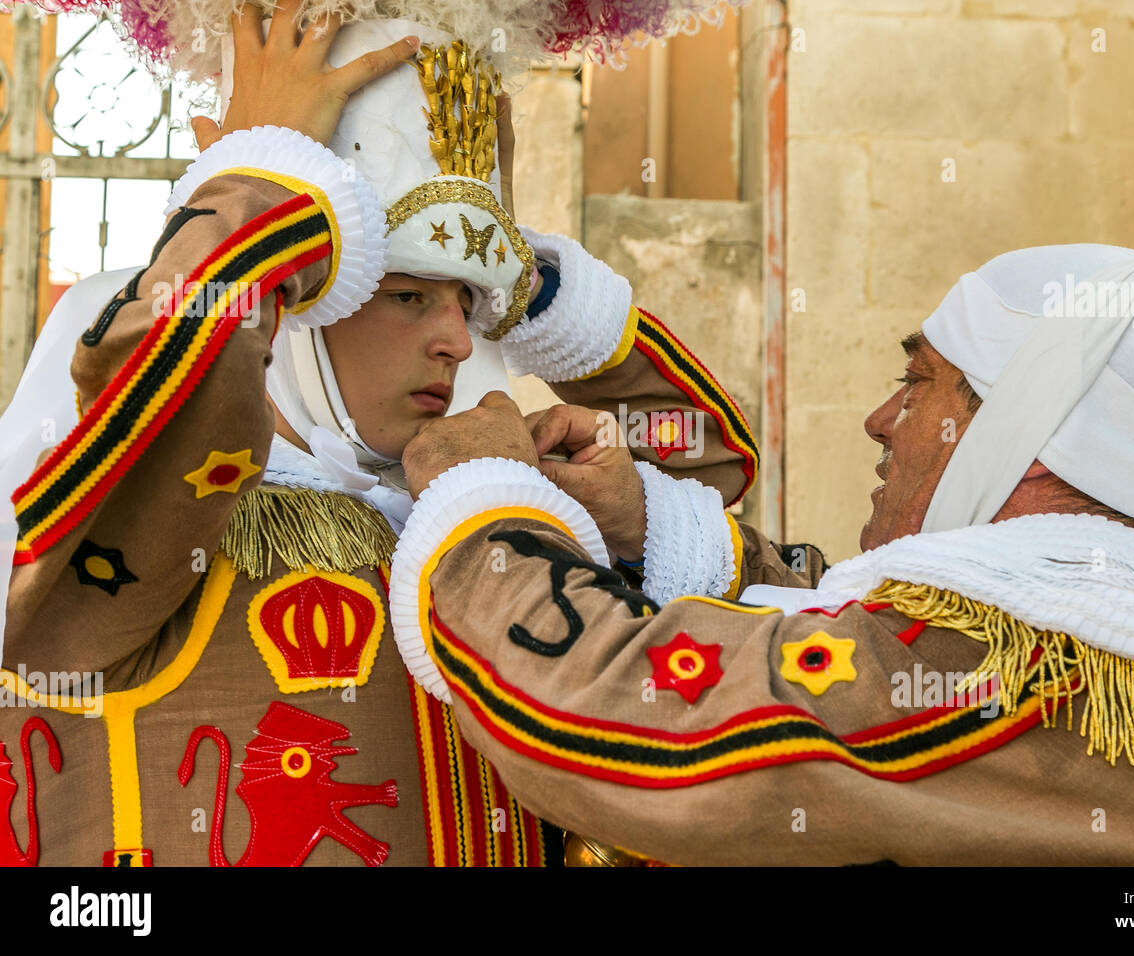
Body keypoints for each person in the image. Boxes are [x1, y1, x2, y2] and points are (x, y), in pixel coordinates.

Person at [0, 10, 756, 866]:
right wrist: (263, 176)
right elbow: (174, 371)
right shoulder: (155, 515)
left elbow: (709, 464)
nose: (461, 342)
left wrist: (524, 279)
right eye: (408, 295)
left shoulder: (470, 500)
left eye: (468, 306)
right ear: (297, 299)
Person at [386, 239, 1134, 866]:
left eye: (917, 384)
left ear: (1023, 431)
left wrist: (488, 509)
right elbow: (848, 641)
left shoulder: (976, 659)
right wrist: (652, 526)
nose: (878, 419)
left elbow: (620, 716)